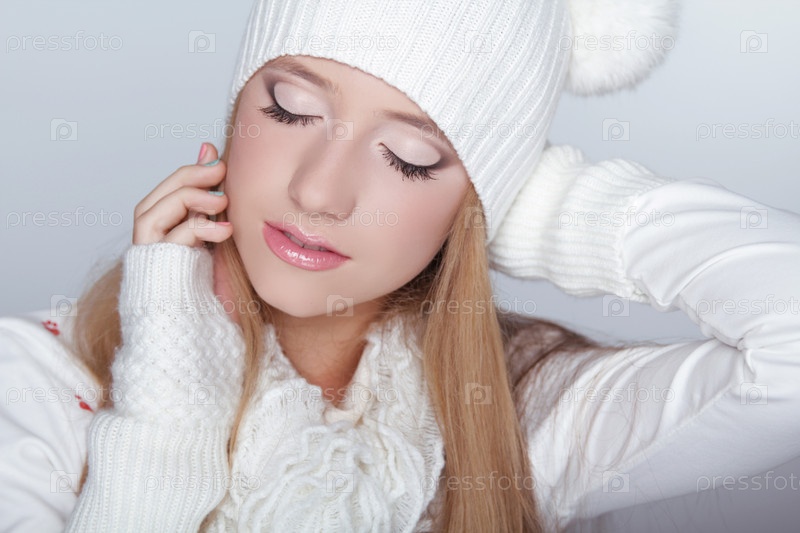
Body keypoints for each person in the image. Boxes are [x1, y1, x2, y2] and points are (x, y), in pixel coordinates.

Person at [1, 0, 798, 531]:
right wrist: (166, 430)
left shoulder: (519, 414)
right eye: (290, 108)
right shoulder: (34, 382)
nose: (318, 191)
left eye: (410, 157)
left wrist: (552, 207)